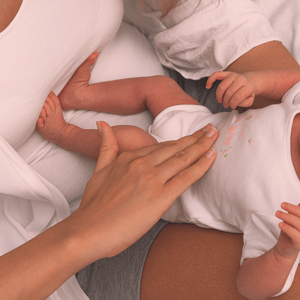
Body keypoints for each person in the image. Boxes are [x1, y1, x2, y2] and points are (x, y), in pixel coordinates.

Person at [2, 0, 300, 299]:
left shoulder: (281, 210)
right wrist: (255, 83)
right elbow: (291, 83)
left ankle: (64, 133)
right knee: (159, 88)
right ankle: (81, 95)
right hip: (197, 120)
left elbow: (250, 286)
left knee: (129, 141)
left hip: (168, 181)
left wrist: (283, 255)